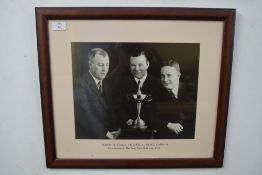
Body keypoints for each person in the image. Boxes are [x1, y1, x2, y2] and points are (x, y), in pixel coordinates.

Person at [73, 48, 120, 139]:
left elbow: (112, 111)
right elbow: (86, 115)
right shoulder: (79, 84)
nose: (104, 69)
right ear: (90, 64)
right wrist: (107, 134)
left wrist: (118, 129)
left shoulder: (106, 84)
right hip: (91, 138)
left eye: (107, 65)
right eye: (100, 65)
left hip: (110, 136)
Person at [114, 48, 162, 138]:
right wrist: (127, 120)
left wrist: (150, 123)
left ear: (147, 64)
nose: (136, 69)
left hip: (152, 132)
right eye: (133, 65)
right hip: (129, 131)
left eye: (140, 65)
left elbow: (158, 109)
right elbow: (117, 106)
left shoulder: (157, 84)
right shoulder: (122, 83)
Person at [153, 59, 196, 139]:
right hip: (166, 137)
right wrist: (168, 125)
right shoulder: (157, 93)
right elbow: (150, 118)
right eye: (162, 76)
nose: (165, 80)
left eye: (169, 75)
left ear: (178, 75)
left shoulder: (192, 91)